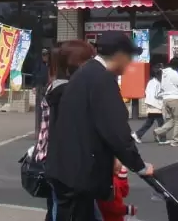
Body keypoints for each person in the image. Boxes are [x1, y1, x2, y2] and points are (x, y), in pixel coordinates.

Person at [46, 31, 153, 221]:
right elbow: (116, 131)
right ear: (119, 55)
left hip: (66, 169)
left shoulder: (85, 74)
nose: (130, 63)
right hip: (78, 175)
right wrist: (140, 166)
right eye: (130, 57)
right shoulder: (102, 79)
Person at [35, 40, 96, 221]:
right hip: (61, 160)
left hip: (49, 155)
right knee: (63, 208)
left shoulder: (55, 87)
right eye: (89, 60)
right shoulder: (66, 90)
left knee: (57, 206)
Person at [155, 55, 178, 147]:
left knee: (173, 119)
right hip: (174, 98)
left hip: (166, 99)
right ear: (176, 66)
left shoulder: (164, 72)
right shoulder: (173, 73)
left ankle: (158, 131)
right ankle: (176, 141)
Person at [132, 62, 164, 144]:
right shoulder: (158, 83)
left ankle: (138, 134)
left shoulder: (151, 82)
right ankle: (160, 137)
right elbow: (157, 94)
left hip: (150, 104)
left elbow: (147, 92)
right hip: (155, 105)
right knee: (161, 122)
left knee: (149, 122)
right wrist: (164, 94)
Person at [34, 48, 50, 136]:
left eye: (46, 55)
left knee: (47, 109)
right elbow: (35, 74)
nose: (45, 57)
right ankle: (38, 129)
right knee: (39, 109)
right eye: (43, 55)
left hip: (47, 87)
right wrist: (34, 86)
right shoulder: (39, 64)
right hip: (40, 87)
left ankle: (46, 129)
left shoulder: (50, 64)